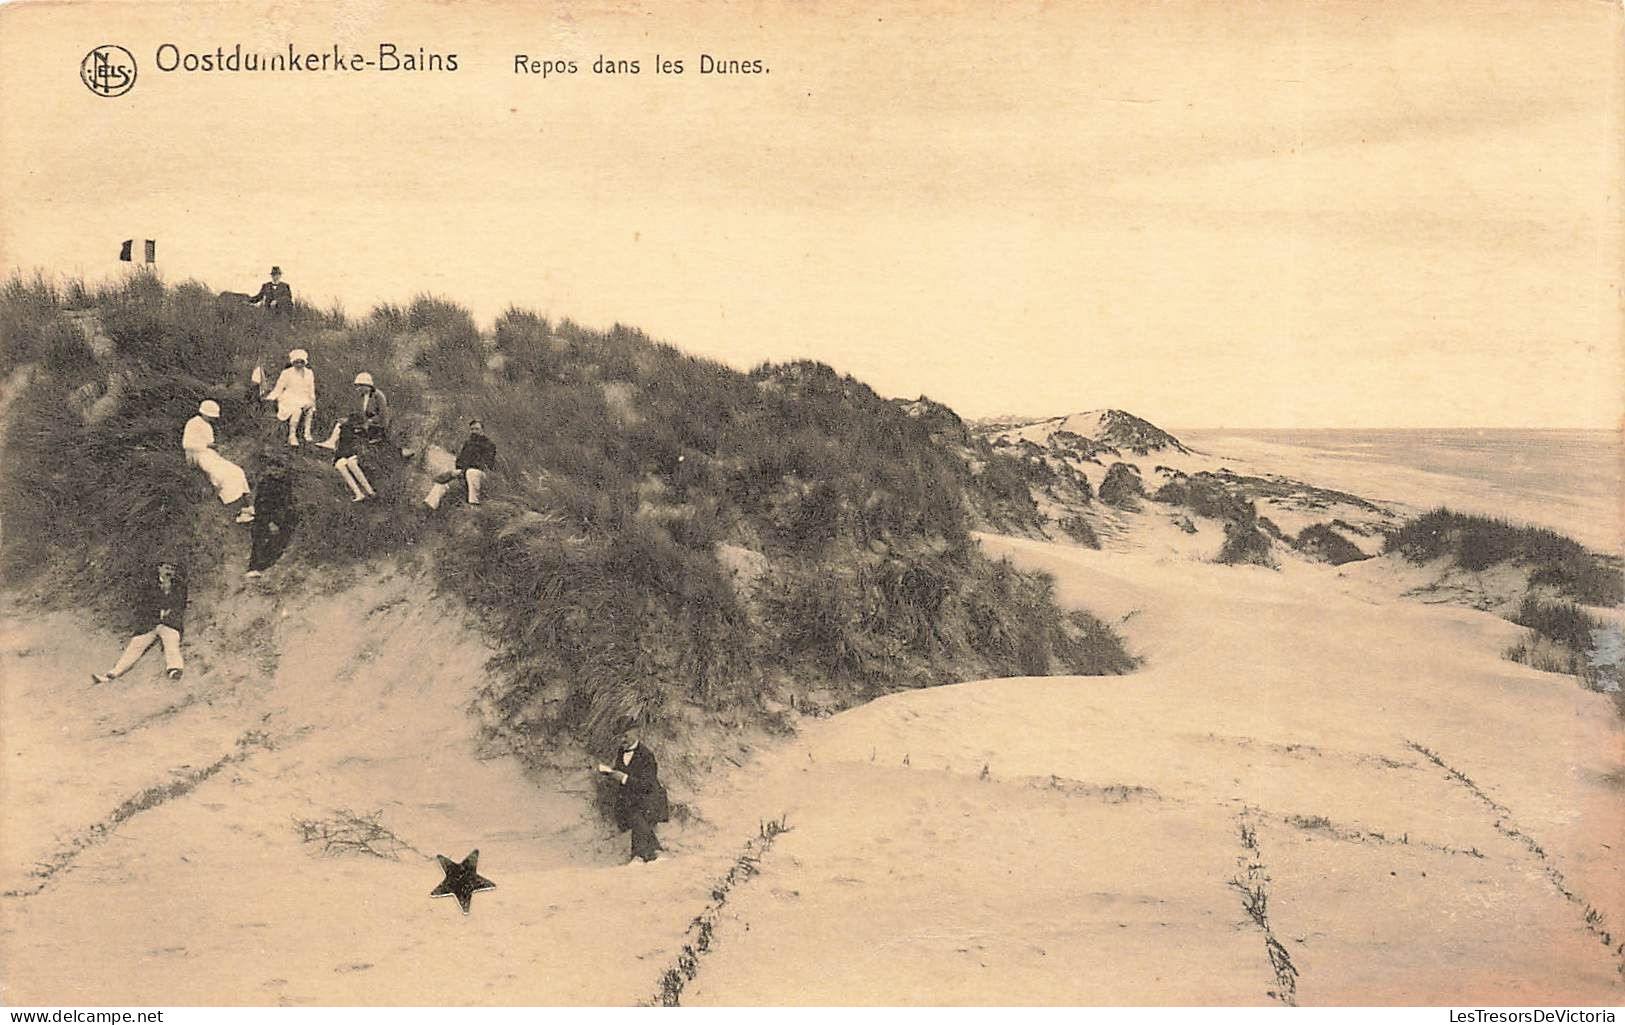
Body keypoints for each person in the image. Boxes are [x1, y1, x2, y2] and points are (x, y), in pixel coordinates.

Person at [92, 561, 189, 683]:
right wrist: (157, 612)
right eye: (166, 568)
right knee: (136, 645)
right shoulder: (148, 585)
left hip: (169, 623)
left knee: (172, 641)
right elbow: (141, 606)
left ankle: (174, 669)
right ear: (159, 569)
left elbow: (180, 605)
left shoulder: (179, 586)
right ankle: (112, 674)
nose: (169, 572)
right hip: (150, 623)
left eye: (172, 570)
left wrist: (168, 598)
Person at [596, 722, 669, 863]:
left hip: (649, 799)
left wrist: (623, 777)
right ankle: (652, 852)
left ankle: (641, 855)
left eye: (625, 735)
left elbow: (647, 785)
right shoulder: (621, 752)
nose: (622, 740)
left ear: (636, 733)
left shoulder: (647, 755)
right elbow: (622, 772)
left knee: (636, 814)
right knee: (632, 812)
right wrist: (610, 773)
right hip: (631, 800)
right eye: (619, 737)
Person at [183, 400, 255, 522]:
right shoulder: (193, 423)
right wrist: (207, 446)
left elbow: (209, 444)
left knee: (236, 471)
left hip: (209, 454)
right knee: (222, 475)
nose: (212, 418)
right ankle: (235, 511)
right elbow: (187, 444)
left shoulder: (207, 426)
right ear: (203, 413)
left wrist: (213, 447)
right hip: (197, 456)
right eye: (210, 415)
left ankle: (247, 507)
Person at [246, 453, 298, 578]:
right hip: (265, 518)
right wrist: (270, 522)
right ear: (269, 469)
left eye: (279, 468)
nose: (276, 471)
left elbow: (288, 501)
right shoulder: (266, 483)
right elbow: (261, 506)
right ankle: (254, 568)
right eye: (274, 468)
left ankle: (267, 564)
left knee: (278, 542)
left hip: (280, 518)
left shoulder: (285, 482)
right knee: (261, 539)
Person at [425, 419, 495, 509]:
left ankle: (474, 504)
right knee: (442, 484)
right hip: (464, 476)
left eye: (477, 429)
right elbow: (459, 461)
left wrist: (464, 470)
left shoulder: (489, 445)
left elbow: (486, 464)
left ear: (482, 430)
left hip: (480, 476)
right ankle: (428, 506)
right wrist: (456, 471)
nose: (474, 431)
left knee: (471, 472)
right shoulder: (468, 443)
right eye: (472, 429)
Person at [319, 372, 390, 448]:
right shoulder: (363, 396)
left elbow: (383, 415)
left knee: (351, 428)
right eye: (357, 386)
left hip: (376, 426)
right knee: (342, 422)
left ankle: (338, 445)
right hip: (365, 422)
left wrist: (370, 421)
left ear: (367, 385)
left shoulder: (378, 396)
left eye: (360, 386)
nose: (358, 388)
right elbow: (361, 412)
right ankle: (332, 442)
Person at [263, 348, 317, 446]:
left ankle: (307, 432)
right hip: (289, 397)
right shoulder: (286, 373)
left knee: (310, 406)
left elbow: (311, 389)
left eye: (302, 362)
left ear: (305, 362)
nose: (299, 364)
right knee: (297, 410)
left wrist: (312, 400)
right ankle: (292, 435)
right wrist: (271, 397)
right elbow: (279, 388)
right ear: (293, 362)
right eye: (297, 362)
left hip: (303, 396)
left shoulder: (309, 373)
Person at [331, 412, 378, 503]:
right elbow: (343, 446)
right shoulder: (347, 429)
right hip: (348, 453)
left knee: (351, 464)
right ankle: (360, 493)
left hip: (354, 453)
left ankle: (369, 491)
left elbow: (348, 446)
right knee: (340, 465)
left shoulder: (349, 429)